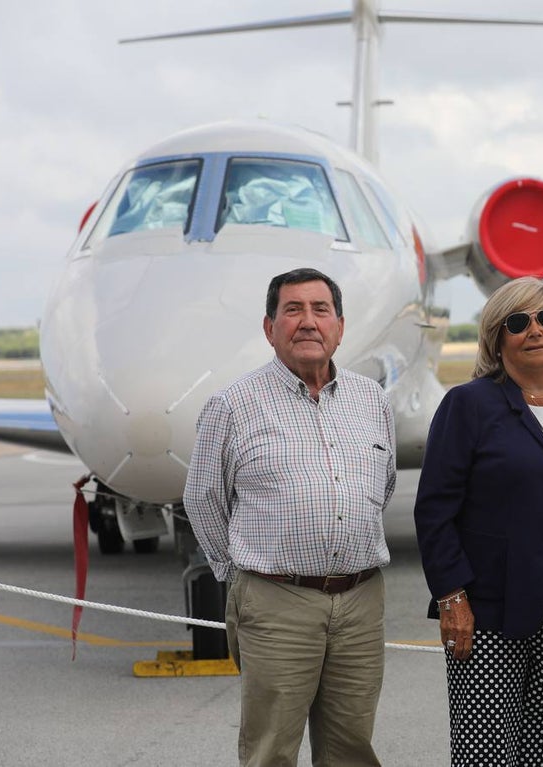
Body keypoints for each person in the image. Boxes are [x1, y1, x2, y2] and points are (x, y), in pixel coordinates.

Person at [184, 267, 396, 767]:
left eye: (320, 310)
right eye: (293, 310)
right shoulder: (233, 406)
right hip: (276, 602)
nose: (307, 322)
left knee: (351, 749)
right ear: (269, 327)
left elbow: (380, 488)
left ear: (340, 327)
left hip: (361, 601)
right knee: (270, 752)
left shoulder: (372, 401)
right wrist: (240, 579)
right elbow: (203, 499)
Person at [414, 276, 543, 766]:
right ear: (496, 336)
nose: (535, 330)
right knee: (486, 755)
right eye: (518, 321)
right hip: (490, 617)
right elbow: (434, 509)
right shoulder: (468, 405)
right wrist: (452, 596)